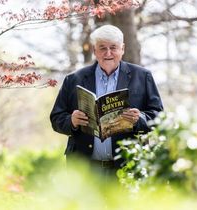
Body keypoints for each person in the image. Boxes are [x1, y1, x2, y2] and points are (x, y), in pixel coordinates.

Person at [50, 25, 163, 174]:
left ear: (122, 49)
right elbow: (56, 118)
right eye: (102, 48)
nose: (108, 53)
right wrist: (72, 121)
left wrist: (139, 119)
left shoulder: (142, 76)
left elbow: (159, 117)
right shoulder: (74, 79)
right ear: (94, 50)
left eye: (113, 47)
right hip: (84, 168)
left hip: (128, 166)